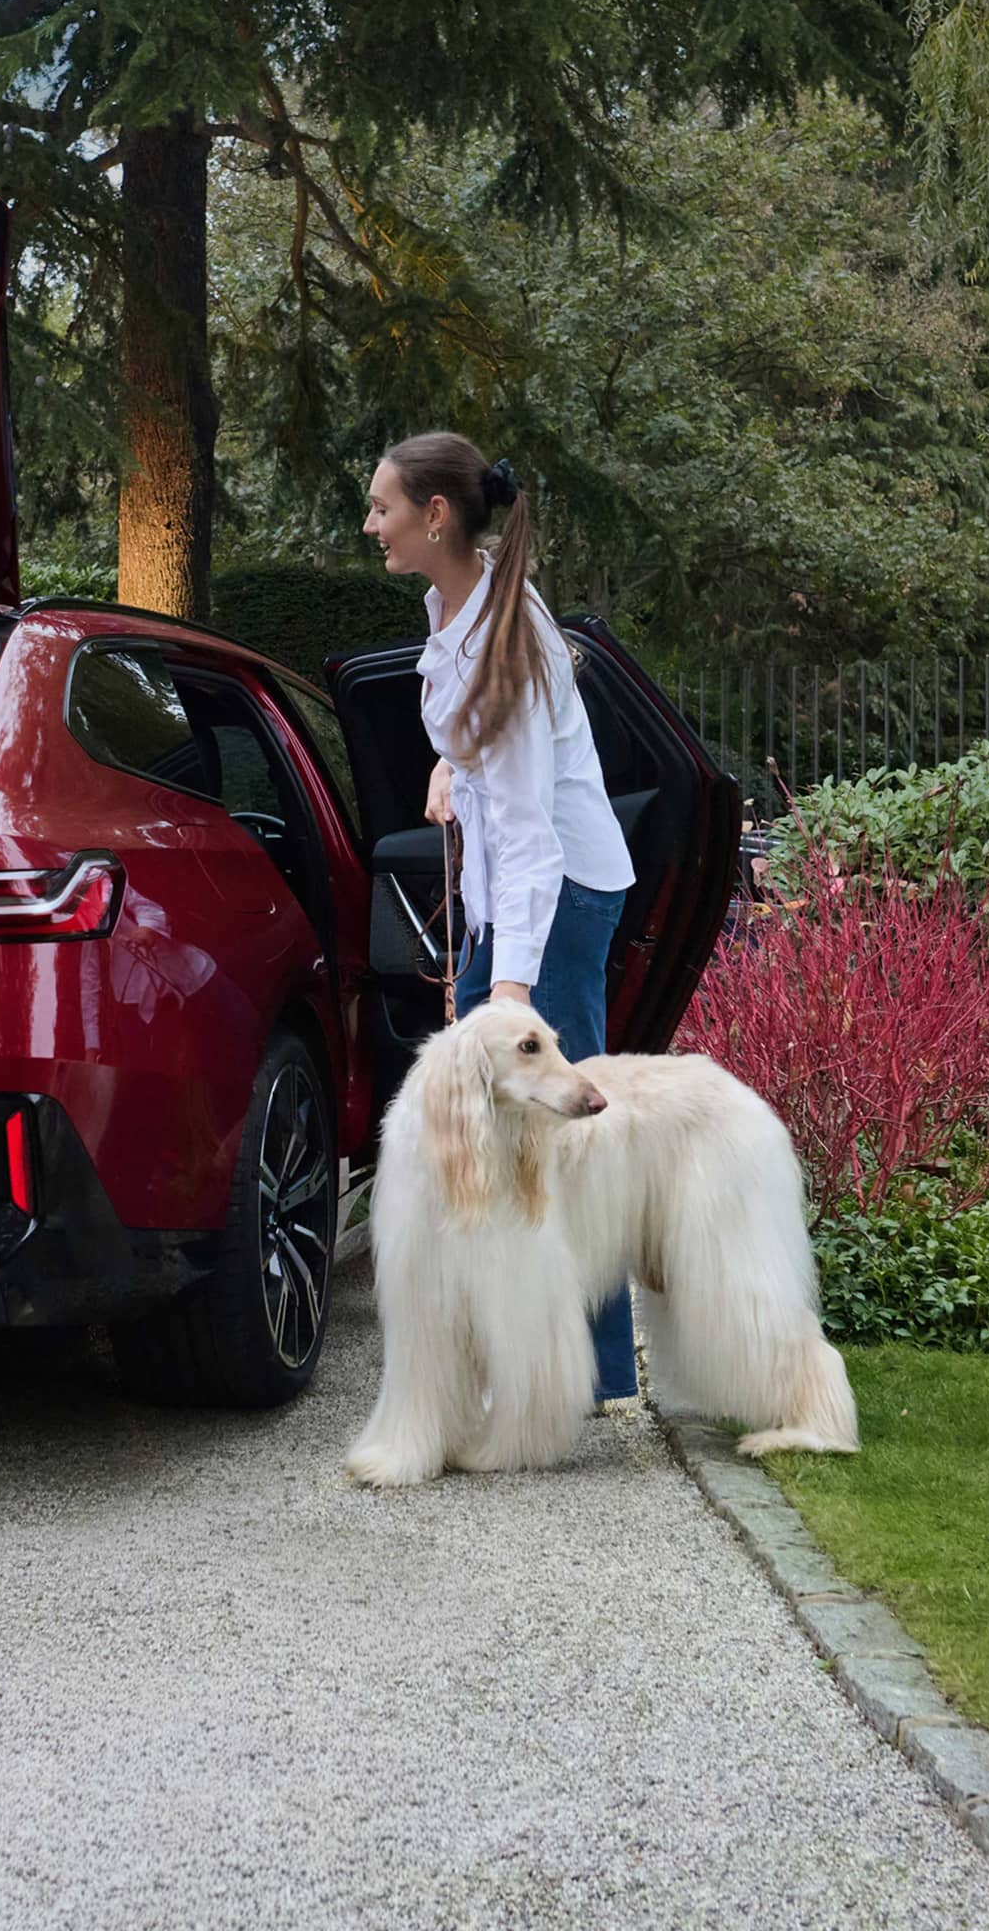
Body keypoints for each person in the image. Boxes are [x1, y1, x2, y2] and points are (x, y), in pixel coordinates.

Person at [359, 430, 645, 1412]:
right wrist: (451, 766)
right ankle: (536, 1357)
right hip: (519, 887)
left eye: (383, 507)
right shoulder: (453, 604)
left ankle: (591, 1374)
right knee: (491, 1128)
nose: (372, 525)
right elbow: (490, 761)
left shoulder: (507, 643)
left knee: (557, 1131)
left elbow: (535, 841)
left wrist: (510, 991)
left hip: (557, 896)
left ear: (435, 516)